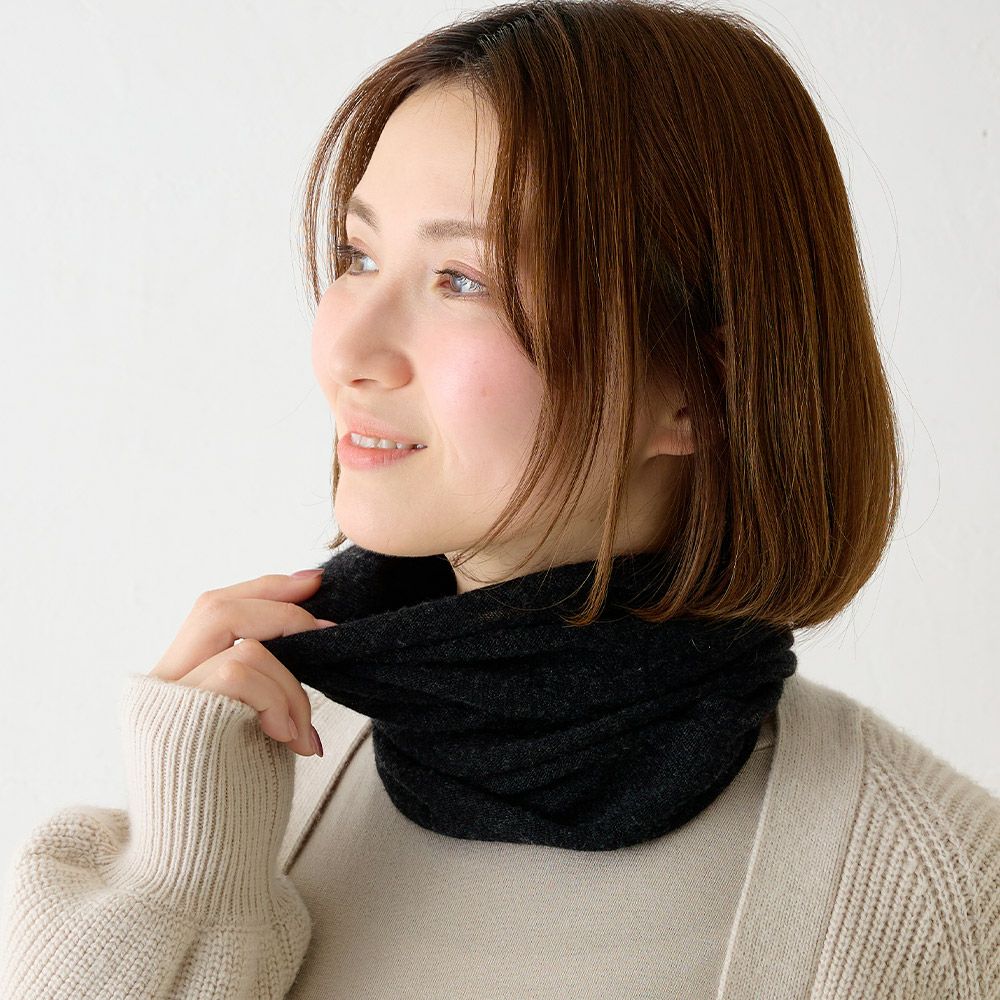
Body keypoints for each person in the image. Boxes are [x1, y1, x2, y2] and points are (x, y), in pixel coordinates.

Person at [3, 1, 998, 997]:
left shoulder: (937, 892)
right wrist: (174, 880)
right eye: (358, 256)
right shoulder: (242, 765)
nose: (347, 349)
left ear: (698, 387)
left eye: (462, 279)